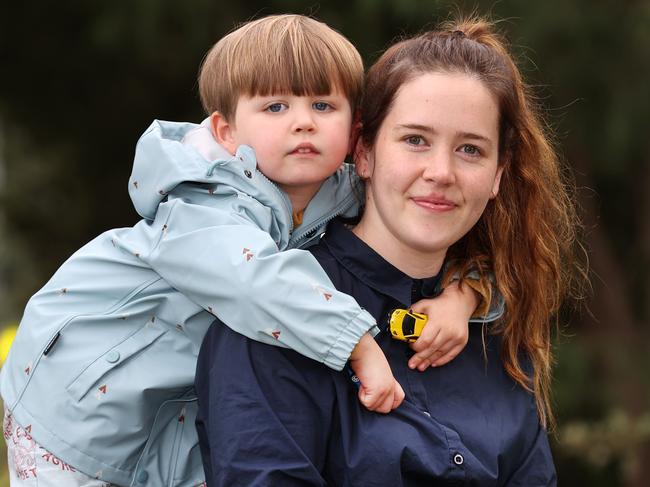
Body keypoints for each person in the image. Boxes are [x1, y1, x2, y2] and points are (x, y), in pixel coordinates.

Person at [0, 15, 501, 487]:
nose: (302, 123)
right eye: (275, 107)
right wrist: (360, 346)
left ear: (354, 134)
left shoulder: (340, 192)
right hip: (70, 400)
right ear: (226, 131)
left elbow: (436, 229)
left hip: (161, 413)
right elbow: (256, 281)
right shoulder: (205, 201)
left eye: (323, 106)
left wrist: (463, 296)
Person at [196, 16, 582, 486]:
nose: (441, 172)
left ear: (499, 174)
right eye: (415, 140)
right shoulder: (273, 314)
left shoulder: (493, 333)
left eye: (471, 150)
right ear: (363, 151)